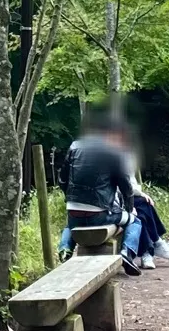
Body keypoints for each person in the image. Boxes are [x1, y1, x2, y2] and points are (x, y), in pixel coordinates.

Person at [59, 115, 148, 272]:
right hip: (100, 214)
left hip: (74, 212)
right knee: (135, 221)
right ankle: (126, 253)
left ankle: (65, 249)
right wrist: (129, 208)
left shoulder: (74, 146)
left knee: (70, 224)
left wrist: (70, 198)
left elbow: (62, 179)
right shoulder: (113, 152)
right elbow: (126, 186)